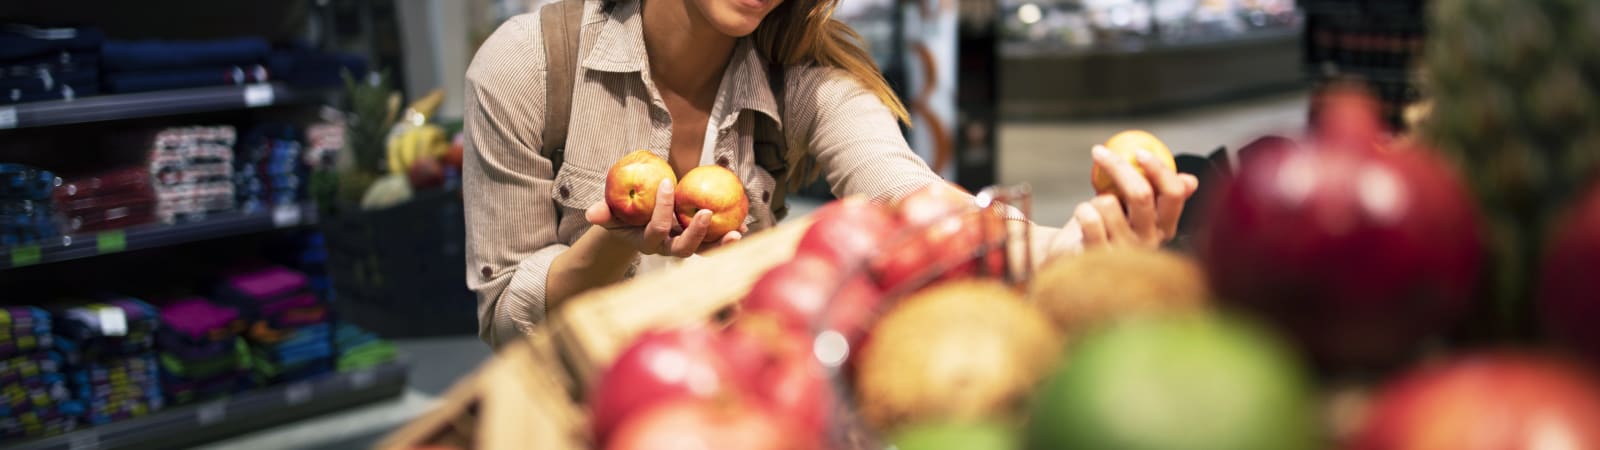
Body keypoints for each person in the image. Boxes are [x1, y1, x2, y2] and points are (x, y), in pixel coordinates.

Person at [463, 0, 1199, 347]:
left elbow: (912, 195)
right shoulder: (529, 66)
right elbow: (501, 318)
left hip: (741, 406)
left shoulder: (803, 78)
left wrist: (1074, 250)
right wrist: (612, 244)